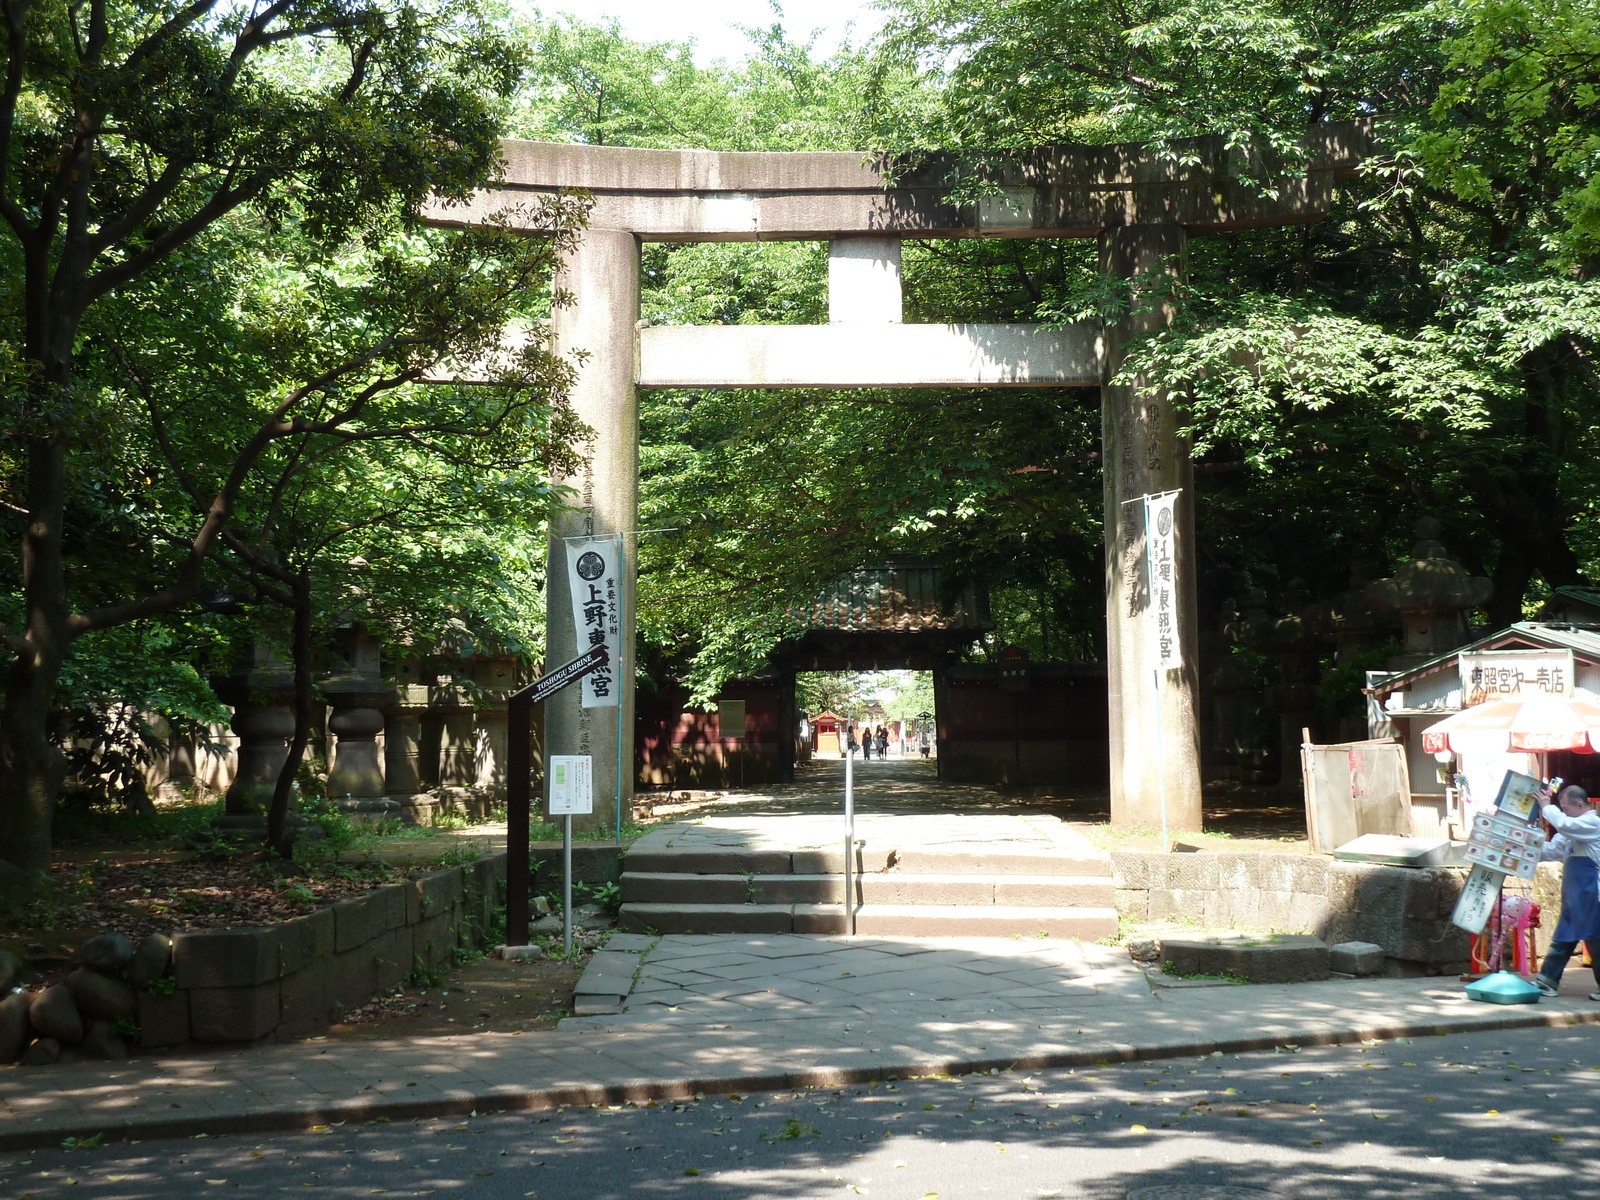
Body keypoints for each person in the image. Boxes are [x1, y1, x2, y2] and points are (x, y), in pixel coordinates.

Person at [1532, 784, 1600, 999]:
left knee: (1596, 940)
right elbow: (1552, 851)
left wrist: (1545, 805)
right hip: (1574, 895)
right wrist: (1524, 843)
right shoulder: (1571, 828)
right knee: (1564, 937)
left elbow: (1562, 824)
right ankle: (1547, 981)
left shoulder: (1592, 822)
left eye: (1565, 807)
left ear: (1580, 804)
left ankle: (1548, 980)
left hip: (1591, 893)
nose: (1563, 812)